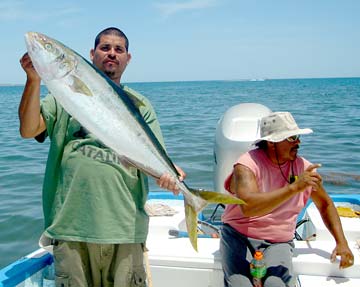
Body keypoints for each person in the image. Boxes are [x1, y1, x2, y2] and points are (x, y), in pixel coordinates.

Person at [19, 27, 185, 287]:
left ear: (128, 58)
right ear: (91, 54)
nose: (111, 53)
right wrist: (33, 79)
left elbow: (156, 158)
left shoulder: (139, 104)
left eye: (118, 49)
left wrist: (170, 174)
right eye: (105, 48)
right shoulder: (61, 97)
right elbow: (29, 130)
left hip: (124, 230)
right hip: (71, 229)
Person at [220, 111, 354, 287]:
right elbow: (249, 207)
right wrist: (294, 188)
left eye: (297, 137)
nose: (298, 142)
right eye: (291, 138)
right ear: (271, 142)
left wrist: (341, 242)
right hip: (238, 236)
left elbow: (325, 204)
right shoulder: (246, 165)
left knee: (276, 284)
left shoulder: (304, 169)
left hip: (278, 241)